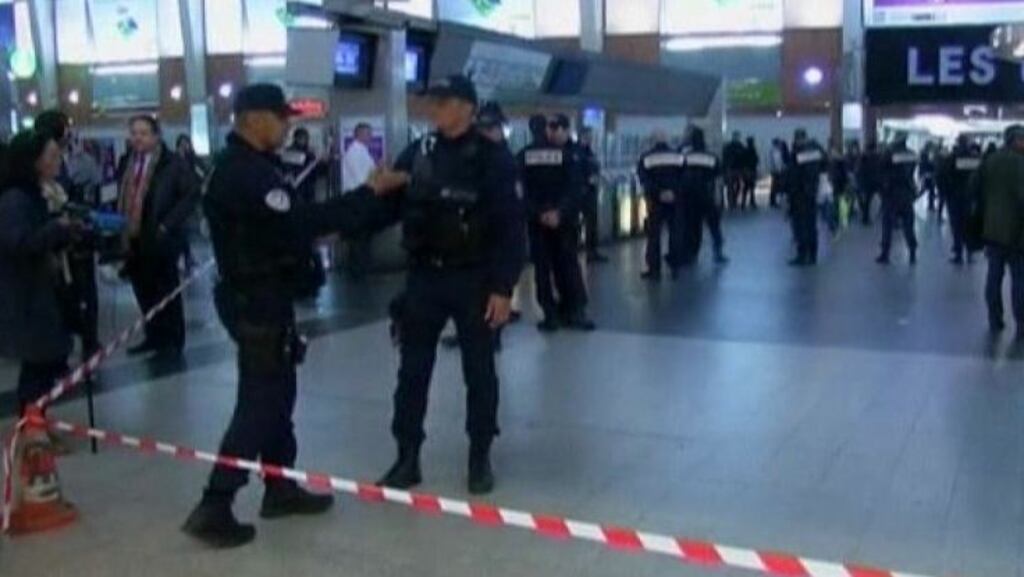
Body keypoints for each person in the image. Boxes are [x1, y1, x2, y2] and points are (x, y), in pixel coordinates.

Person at [183, 84, 406, 548]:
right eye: (280, 119)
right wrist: (368, 193)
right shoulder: (246, 174)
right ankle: (216, 501)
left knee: (278, 396)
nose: (288, 127)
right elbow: (299, 224)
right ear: (253, 119)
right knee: (261, 401)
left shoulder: (248, 168)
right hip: (256, 300)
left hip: (262, 296)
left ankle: (279, 488)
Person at [351, 76, 525, 497]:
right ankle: (407, 455)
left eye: (444, 102)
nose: (435, 109)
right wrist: (356, 210)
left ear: (467, 107)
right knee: (412, 371)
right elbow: (391, 201)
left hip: (474, 278)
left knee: (479, 371)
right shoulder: (421, 151)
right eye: (433, 102)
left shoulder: (492, 158)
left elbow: (509, 226)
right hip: (425, 277)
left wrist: (503, 287)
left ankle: (479, 455)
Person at [0, 130, 85, 414]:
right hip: (26, 296)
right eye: (51, 155)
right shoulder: (15, 199)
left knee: (46, 365)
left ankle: (39, 426)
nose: (58, 160)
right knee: (36, 369)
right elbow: (19, 243)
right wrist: (55, 228)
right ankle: (33, 432)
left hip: (45, 291)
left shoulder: (40, 194)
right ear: (33, 161)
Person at [118, 116, 200, 357]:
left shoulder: (172, 163)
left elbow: (190, 194)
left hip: (161, 235)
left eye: (143, 133)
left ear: (156, 136)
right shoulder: (127, 163)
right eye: (134, 133)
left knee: (165, 289)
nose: (138, 138)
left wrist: (168, 224)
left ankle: (172, 340)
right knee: (143, 289)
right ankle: (153, 335)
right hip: (134, 235)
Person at [34, 111, 101, 360]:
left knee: (83, 294)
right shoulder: (38, 181)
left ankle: (88, 342)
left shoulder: (78, 158)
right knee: (67, 299)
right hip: (58, 250)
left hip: (76, 242)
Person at [520, 113, 594, 332]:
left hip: (537, 223)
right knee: (568, 265)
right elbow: (574, 189)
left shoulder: (523, 156)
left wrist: (538, 213)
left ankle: (550, 315)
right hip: (563, 222)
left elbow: (520, 192)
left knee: (542, 269)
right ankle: (575, 311)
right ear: (548, 130)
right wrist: (559, 213)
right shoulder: (566, 155)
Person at [973, 125, 1024, 334]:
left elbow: (974, 187)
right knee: (1020, 278)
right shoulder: (1020, 163)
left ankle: (995, 318)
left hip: (992, 229)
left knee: (994, 275)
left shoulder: (990, 160)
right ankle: (1021, 322)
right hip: (1018, 231)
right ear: (1014, 140)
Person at [637, 130, 685, 280]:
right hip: (675, 201)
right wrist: (673, 193)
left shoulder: (646, 157)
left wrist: (659, 193)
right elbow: (684, 178)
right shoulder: (678, 156)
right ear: (667, 140)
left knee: (654, 235)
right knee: (675, 233)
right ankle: (675, 266)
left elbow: (644, 180)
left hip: (655, 202)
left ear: (653, 141)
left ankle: (654, 269)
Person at [681, 127, 728, 265]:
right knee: (714, 226)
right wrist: (720, 199)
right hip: (707, 195)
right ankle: (718, 253)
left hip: (689, 197)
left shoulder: (685, 157)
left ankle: (691, 254)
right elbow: (718, 177)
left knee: (692, 227)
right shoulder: (711, 157)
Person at [342, 123, 378, 278]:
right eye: (368, 133)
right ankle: (359, 271)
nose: (371, 137)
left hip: (360, 199)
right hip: (358, 200)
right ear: (359, 134)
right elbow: (362, 179)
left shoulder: (361, 151)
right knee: (359, 237)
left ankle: (360, 269)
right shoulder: (355, 153)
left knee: (361, 237)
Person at [940, 135, 982, 265]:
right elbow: (979, 177)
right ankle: (970, 253)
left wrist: (945, 193)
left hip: (954, 196)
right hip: (969, 196)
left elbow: (944, 175)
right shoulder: (974, 158)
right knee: (968, 224)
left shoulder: (952, 157)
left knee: (956, 225)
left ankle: (958, 253)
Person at [876, 136, 919, 265]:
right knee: (908, 225)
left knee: (887, 225)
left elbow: (881, 170)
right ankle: (912, 252)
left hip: (892, 194)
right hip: (907, 194)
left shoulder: (889, 154)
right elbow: (912, 170)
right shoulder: (912, 154)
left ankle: (885, 254)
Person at [788, 129, 827, 266]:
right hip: (811, 193)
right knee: (811, 224)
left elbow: (795, 173)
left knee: (800, 225)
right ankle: (812, 255)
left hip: (800, 193)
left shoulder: (799, 151)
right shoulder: (817, 150)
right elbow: (824, 164)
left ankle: (802, 254)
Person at [578, 128, 607, 263]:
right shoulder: (578, 152)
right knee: (582, 223)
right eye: (588, 136)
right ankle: (586, 250)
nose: (590, 139)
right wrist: (587, 180)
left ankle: (592, 251)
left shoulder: (589, 152)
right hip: (582, 192)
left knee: (591, 223)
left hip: (590, 192)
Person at [281, 128, 324, 205]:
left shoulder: (310, 153)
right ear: (296, 138)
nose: (303, 140)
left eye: (305, 138)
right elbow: (286, 169)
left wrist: (322, 163)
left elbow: (316, 170)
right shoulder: (289, 152)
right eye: (301, 138)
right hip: (296, 187)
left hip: (309, 186)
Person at [858, 139, 883, 226]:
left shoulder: (863, 157)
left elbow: (859, 171)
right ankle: (885, 216)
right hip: (877, 181)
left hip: (868, 182)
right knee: (885, 199)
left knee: (867, 202)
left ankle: (865, 219)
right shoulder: (878, 157)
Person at [722, 131, 745, 210]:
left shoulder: (740, 146)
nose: (737, 138)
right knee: (730, 186)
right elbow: (725, 157)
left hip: (737, 168)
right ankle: (731, 202)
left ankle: (733, 200)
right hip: (731, 168)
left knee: (737, 185)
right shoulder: (730, 146)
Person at [768, 138, 788, 209]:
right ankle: (774, 201)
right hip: (777, 171)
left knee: (775, 186)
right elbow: (777, 162)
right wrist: (780, 169)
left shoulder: (774, 151)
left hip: (777, 171)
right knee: (776, 186)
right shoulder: (775, 151)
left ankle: (773, 200)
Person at [740, 136, 759, 209]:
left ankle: (744, 203)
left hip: (746, 170)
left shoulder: (745, 150)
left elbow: (742, 161)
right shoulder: (752, 150)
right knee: (751, 186)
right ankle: (751, 202)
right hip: (751, 170)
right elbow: (756, 159)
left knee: (746, 187)